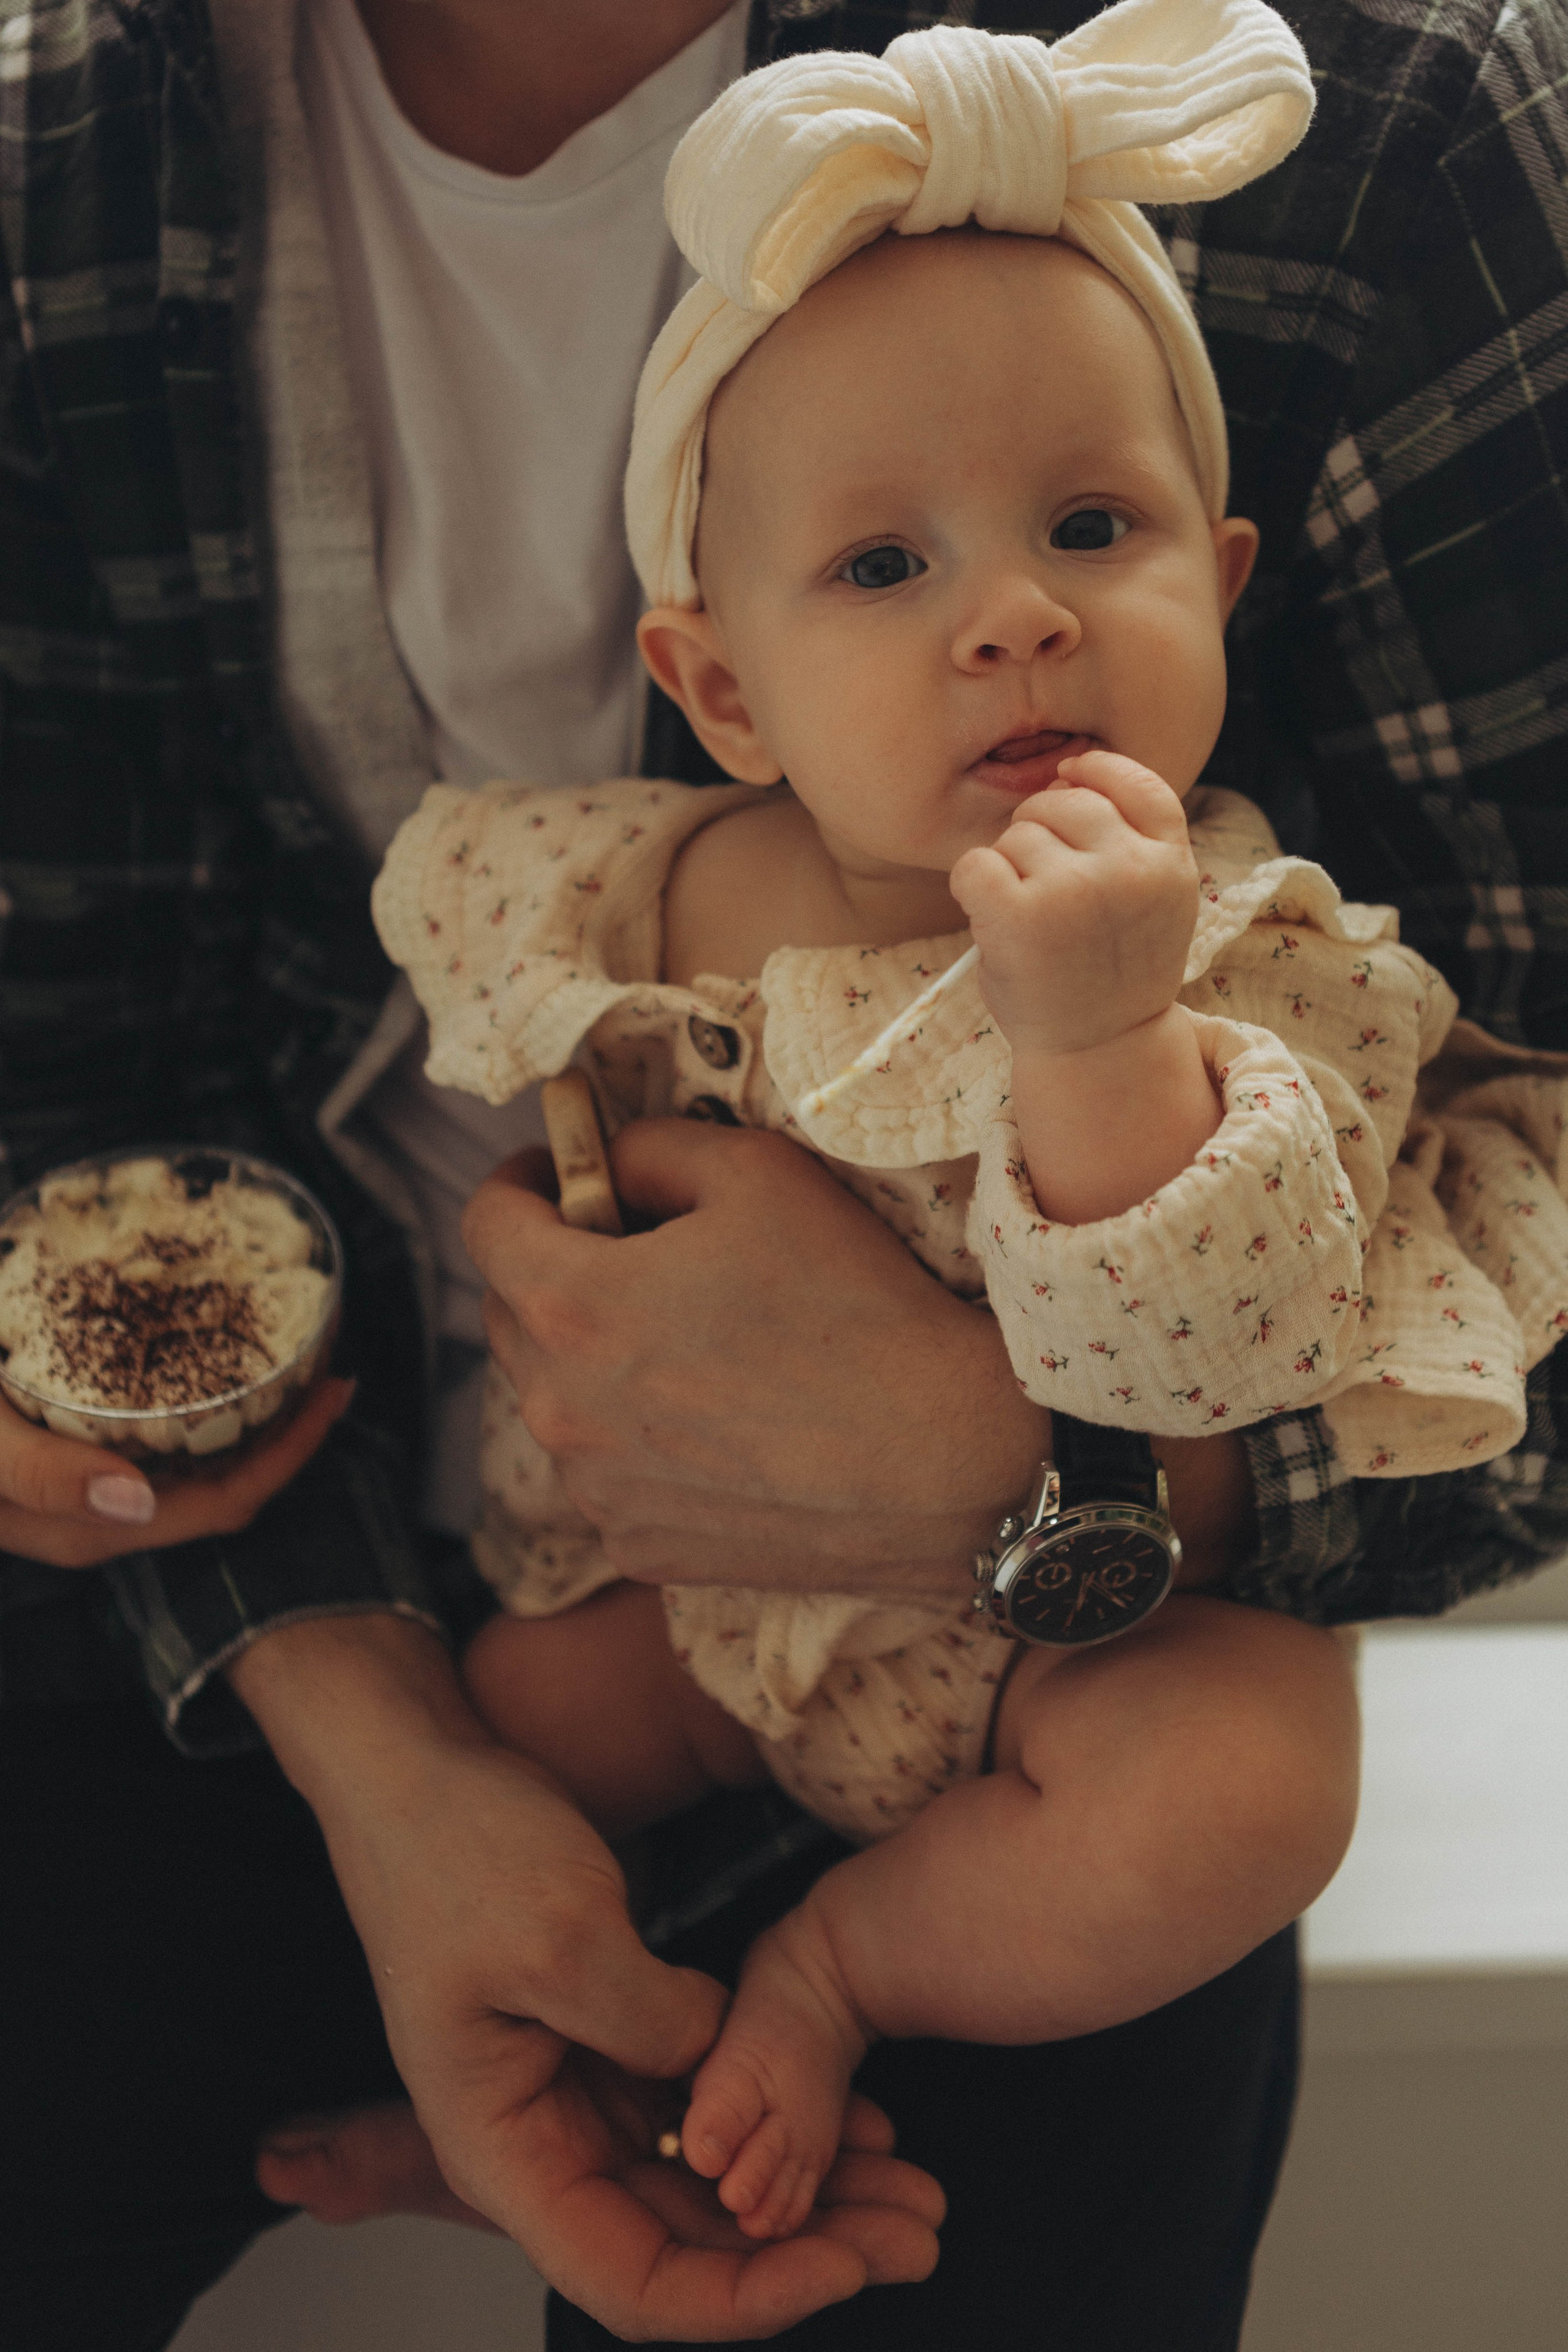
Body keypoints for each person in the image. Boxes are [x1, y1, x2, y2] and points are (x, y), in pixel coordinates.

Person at [2, 1, 1567, 2348]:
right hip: (598, 1591)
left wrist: (1092, 1085)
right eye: (881, 569)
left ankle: (821, 1974)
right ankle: (530, 2024)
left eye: (1092, 532)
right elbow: (198, 1008)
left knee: (1247, 1793)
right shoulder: (659, 868)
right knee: (431, 1799)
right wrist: (394, 1770)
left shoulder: (1255, 951)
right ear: (712, 688)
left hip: (1081, 1649)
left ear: (1217, 575)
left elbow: (1248, 1323)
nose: (1014, 616)